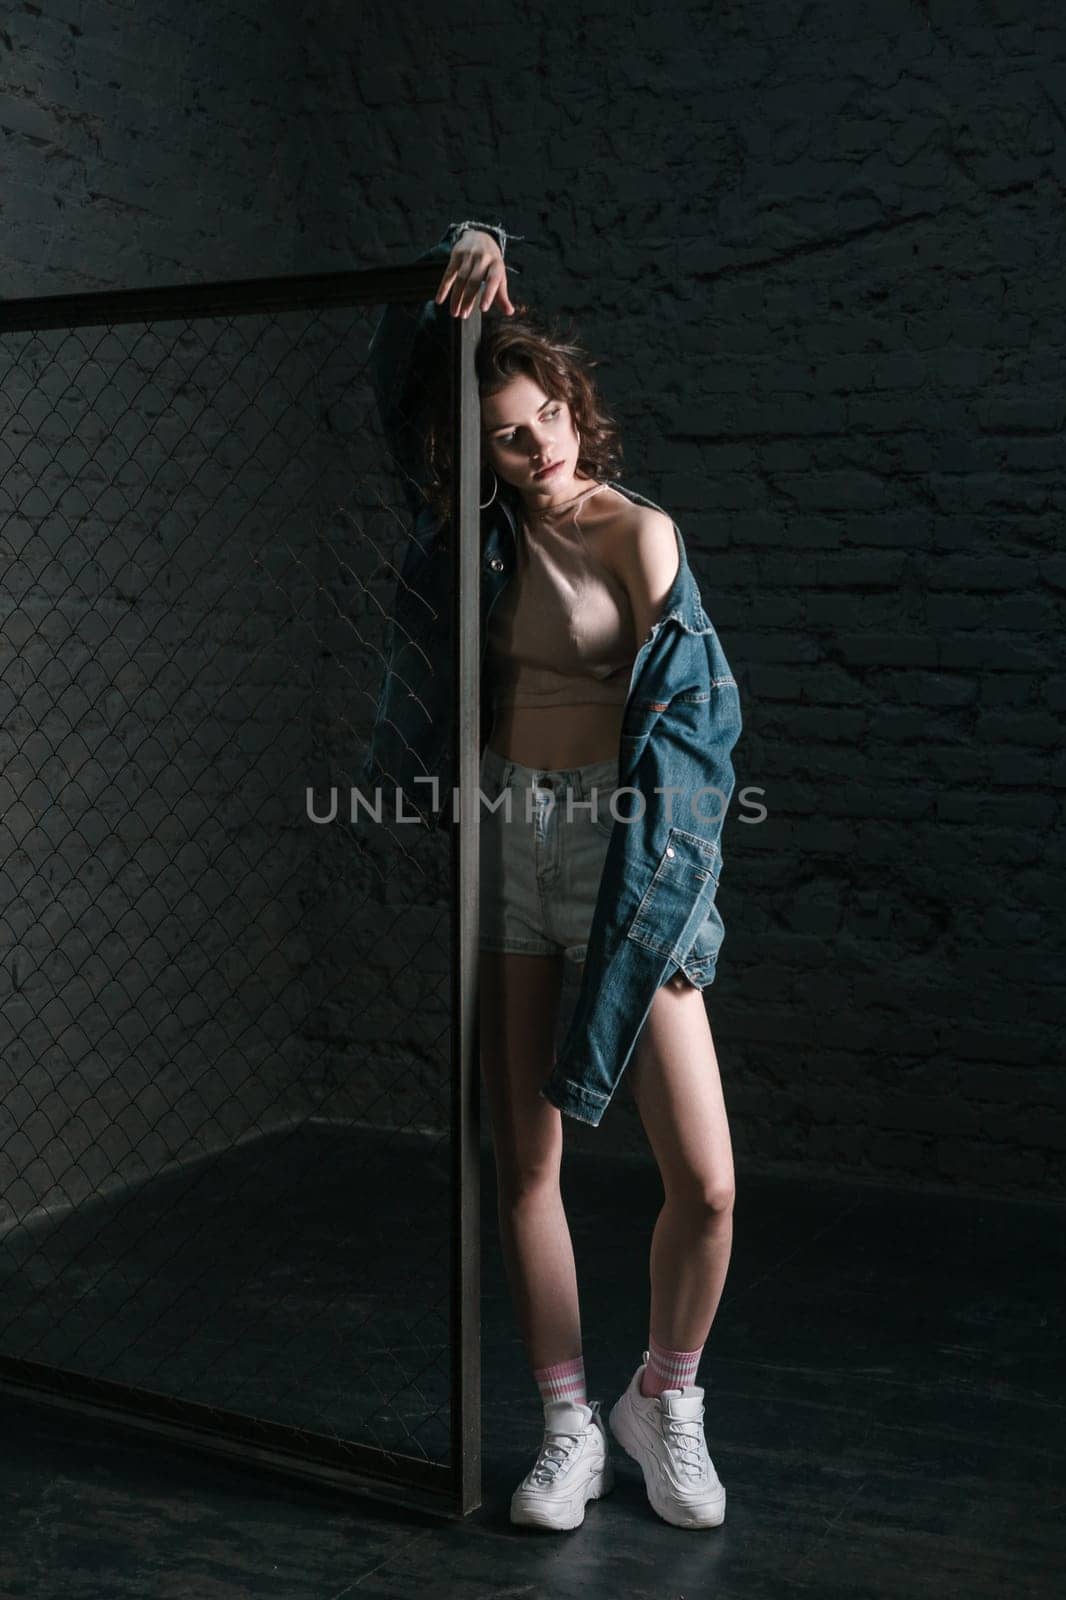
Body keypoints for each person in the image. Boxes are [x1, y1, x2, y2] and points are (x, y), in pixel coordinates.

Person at [402, 223, 735, 1534]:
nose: (535, 445)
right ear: (476, 449)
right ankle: (565, 1432)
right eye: (504, 430)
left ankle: (666, 1401)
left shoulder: (636, 539)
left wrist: (662, 875)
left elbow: (694, 739)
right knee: (523, 1166)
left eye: (547, 418)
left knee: (703, 1183)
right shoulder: (478, 535)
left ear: (574, 414)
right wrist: (466, 255)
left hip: (621, 854)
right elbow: (399, 395)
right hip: (509, 841)